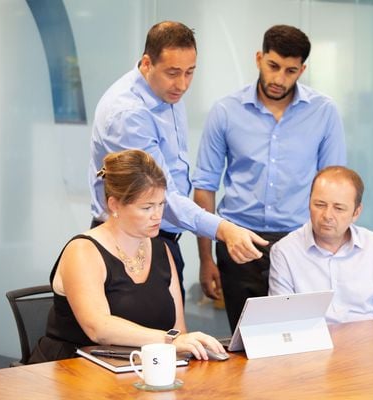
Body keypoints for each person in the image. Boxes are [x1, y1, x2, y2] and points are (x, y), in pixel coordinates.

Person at [88, 21, 268, 301]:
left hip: (161, 238)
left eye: (190, 72)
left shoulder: (166, 92)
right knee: (134, 329)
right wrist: (222, 228)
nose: (182, 84)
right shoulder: (128, 115)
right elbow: (162, 197)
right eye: (173, 73)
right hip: (127, 243)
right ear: (147, 63)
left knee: (173, 325)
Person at [192, 24, 347, 331]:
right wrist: (206, 259)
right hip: (238, 242)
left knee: (299, 338)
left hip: (300, 243)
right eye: (273, 66)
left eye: (290, 71)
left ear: (302, 70)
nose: (279, 79)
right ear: (259, 58)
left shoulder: (324, 112)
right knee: (246, 340)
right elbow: (205, 187)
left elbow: (335, 186)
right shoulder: (226, 111)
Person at [29, 149, 227, 363]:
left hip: (138, 365)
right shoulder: (83, 251)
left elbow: (178, 329)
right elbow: (98, 328)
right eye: (147, 207)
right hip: (74, 367)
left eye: (161, 204)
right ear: (114, 205)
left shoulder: (161, 249)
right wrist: (169, 341)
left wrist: (189, 346)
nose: (157, 215)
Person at [268, 166, 373, 324]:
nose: (327, 215)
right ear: (308, 204)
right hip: (313, 338)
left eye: (339, 208)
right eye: (320, 205)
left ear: (356, 212)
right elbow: (281, 322)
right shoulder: (285, 251)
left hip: (369, 337)